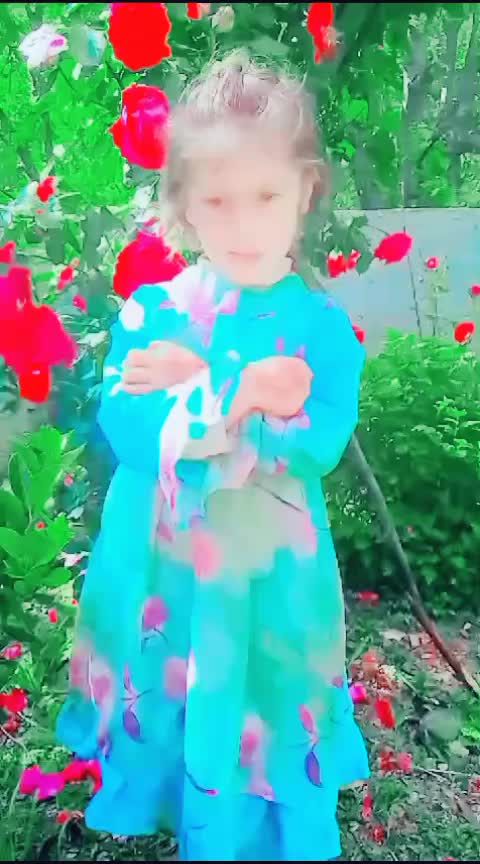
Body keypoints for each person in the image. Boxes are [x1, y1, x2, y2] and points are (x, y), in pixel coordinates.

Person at [57, 53, 370, 861]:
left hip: (267, 579)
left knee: (259, 697)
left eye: (265, 196)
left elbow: (317, 440)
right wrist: (239, 393)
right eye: (218, 201)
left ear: (305, 190)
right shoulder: (152, 311)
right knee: (169, 686)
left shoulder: (322, 329)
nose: (243, 224)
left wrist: (197, 385)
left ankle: (246, 834)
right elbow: (129, 425)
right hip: (164, 566)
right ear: (184, 205)